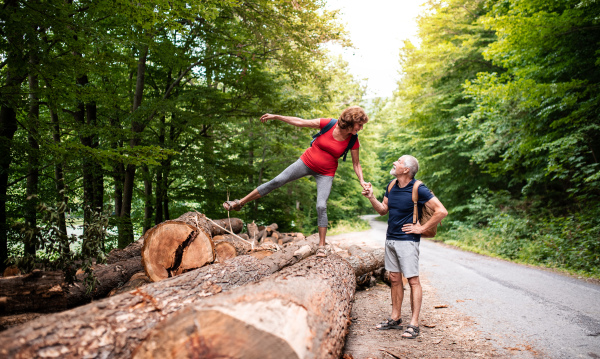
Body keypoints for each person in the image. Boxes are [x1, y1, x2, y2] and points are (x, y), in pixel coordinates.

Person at [223, 106, 370, 257]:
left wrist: (362, 181)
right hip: (306, 162)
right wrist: (276, 116)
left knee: (321, 205)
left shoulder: (353, 139)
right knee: (277, 180)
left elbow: (356, 163)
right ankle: (240, 203)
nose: (361, 128)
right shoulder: (329, 123)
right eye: (360, 124)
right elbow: (300, 122)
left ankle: (321, 246)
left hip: (326, 173)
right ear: (351, 122)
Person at [361, 155, 447, 339]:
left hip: (408, 241)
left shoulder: (418, 188)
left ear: (406, 169)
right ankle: (395, 318)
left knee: (413, 280)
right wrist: (371, 197)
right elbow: (383, 210)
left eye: (399, 162)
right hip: (390, 239)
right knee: (394, 278)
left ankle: (414, 324)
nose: (395, 163)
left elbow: (441, 211)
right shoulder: (391, 185)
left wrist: (422, 228)